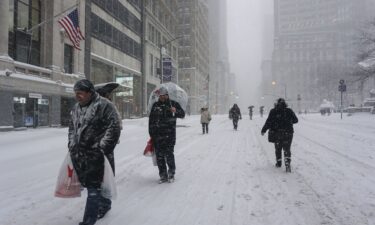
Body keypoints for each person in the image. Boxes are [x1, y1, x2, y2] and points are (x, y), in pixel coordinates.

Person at [68, 79, 121, 225]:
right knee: (97, 184)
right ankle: (105, 205)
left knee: (94, 188)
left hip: (99, 155)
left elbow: (114, 128)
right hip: (81, 154)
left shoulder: (105, 106)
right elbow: (72, 129)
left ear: (90, 93)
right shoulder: (76, 108)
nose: (77, 96)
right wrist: (72, 145)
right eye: (76, 93)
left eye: (81, 93)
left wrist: (102, 148)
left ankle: (88, 221)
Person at [148, 87, 185, 183]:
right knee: (160, 157)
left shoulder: (173, 104)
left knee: (169, 155)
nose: (163, 97)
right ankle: (163, 175)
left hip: (170, 135)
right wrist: (151, 134)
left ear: (167, 95)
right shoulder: (155, 106)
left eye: (164, 95)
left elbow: (182, 114)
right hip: (158, 136)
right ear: (159, 96)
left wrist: (175, 111)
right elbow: (151, 121)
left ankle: (171, 173)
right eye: (161, 96)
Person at [261, 98, 298, 172]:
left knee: (278, 148)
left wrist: (263, 130)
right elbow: (296, 120)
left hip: (277, 133)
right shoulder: (289, 111)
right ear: (285, 104)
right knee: (287, 149)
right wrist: (289, 121)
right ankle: (287, 163)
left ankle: (279, 162)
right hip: (288, 133)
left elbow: (268, 122)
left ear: (276, 103)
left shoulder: (273, 111)